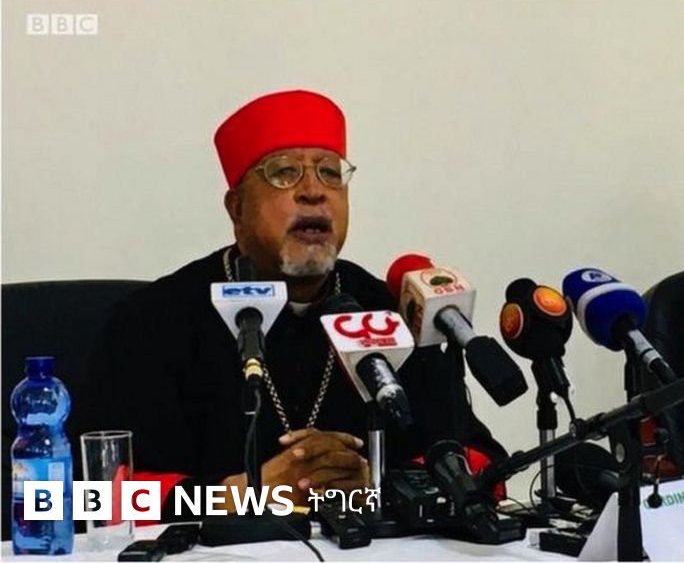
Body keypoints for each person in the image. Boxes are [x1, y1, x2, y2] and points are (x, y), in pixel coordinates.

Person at [90, 89, 506, 518]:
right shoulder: (154, 320)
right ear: (237, 210)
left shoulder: (387, 312)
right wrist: (241, 495)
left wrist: (376, 487)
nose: (313, 191)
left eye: (330, 172)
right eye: (284, 173)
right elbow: (87, 497)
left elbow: (485, 466)